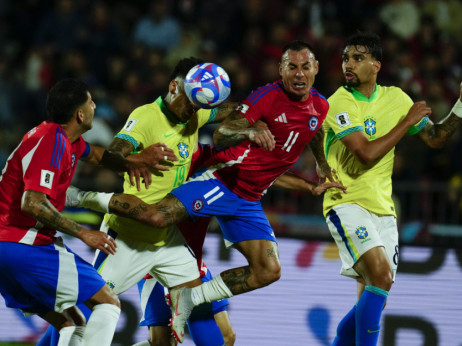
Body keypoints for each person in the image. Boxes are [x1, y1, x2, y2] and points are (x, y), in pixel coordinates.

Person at [77, 40, 347, 343]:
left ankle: (190, 298)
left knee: (249, 301)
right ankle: (81, 197)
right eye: (292, 66)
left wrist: (318, 171)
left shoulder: (199, 117)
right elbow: (222, 137)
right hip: (148, 234)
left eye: (305, 67)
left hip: (193, 244)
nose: (299, 74)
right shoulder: (158, 121)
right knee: (108, 309)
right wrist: (138, 158)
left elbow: (300, 136)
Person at [37, 57, 239, 346]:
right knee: (84, 308)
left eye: (200, 101)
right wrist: (137, 159)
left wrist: (255, 112)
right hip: (128, 239)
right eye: (191, 97)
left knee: (199, 305)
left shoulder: (196, 113)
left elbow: (228, 111)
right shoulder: (146, 117)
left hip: (168, 239)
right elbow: (115, 152)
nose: (195, 106)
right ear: (174, 86)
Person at [0, 79, 166, 346]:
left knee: (72, 323)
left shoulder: (64, 140)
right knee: (108, 303)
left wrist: (137, 159)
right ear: (80, 113)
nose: (94, 105)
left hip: (8, 250)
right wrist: (83, 233)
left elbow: (99, 156)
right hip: (24, 244)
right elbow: (32, 203)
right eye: (90, 102)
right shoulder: (51, 142)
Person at [321, 32, 462, 346]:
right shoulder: (339, 102)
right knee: (381, 278)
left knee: (376, 296)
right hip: (346, 202)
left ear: (376, 65)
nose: (348, 63)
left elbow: (435, 137)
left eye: (358, 57)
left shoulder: (396, 98)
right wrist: (406, 122)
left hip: (383, 209)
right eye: (346, 57)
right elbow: (365, 153)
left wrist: (460, 107)